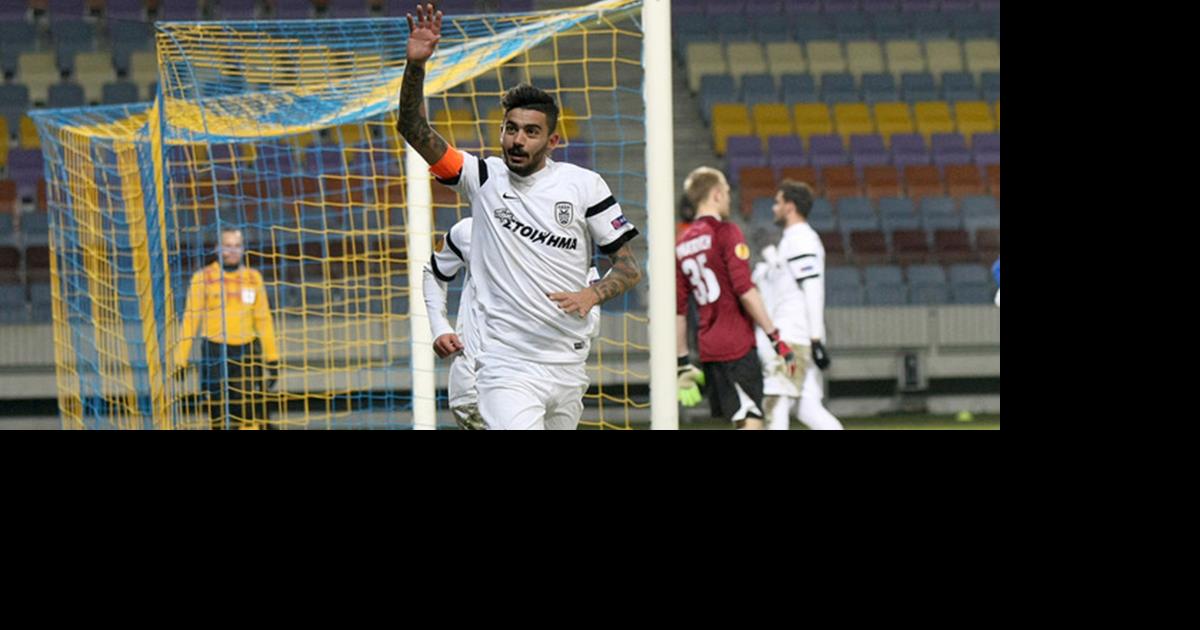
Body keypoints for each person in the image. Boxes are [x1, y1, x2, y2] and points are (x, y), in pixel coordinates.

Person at [398, 4, 642, 429]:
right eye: (511, 129)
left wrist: (591, 295)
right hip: (505, 365)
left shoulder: (585, 186)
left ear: (553, 140)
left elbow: (628, 268)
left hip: (567, 363)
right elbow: (413, 128)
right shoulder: (482, 177)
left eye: (531, 132)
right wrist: (416, 66)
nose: (517, 140)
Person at [422, 217, 603, 430]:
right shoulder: (472, 230)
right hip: (484, 381)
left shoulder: (570, 238)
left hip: (562, 379)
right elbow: (434, 271)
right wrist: (439, 327)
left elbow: (591, 308)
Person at [674, 166, 795, 430]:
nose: (729, 198)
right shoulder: (726, 232)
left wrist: (682, 362)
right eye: (727, 192)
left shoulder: (681, 243)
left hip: (708, 348)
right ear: (717, 194)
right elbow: (745, 290)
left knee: (742, 420)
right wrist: (775, 337)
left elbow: (679, 311)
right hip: (736, 345)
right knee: (752, 422)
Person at [750, 180, 842, 430]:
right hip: (798, 336)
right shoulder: (793, 240)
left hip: (792, 337)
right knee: (808, 407)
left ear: (790, 206)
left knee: (776, 402)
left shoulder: (801, 239)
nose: (774, 208)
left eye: (777, 202)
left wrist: (815, 338)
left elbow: (812, 288)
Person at [174, 228, 280, 430]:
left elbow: (264, 320)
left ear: (243, 248)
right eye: (227, 246)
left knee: (248, 410)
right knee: (218, 412)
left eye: (237, 246)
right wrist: (181, 359)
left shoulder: (253, 278)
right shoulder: (203, 278)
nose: (232, 251)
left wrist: (272, 358)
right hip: (215, 351)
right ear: (217, 248)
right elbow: (190, 319)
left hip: (246, 351)